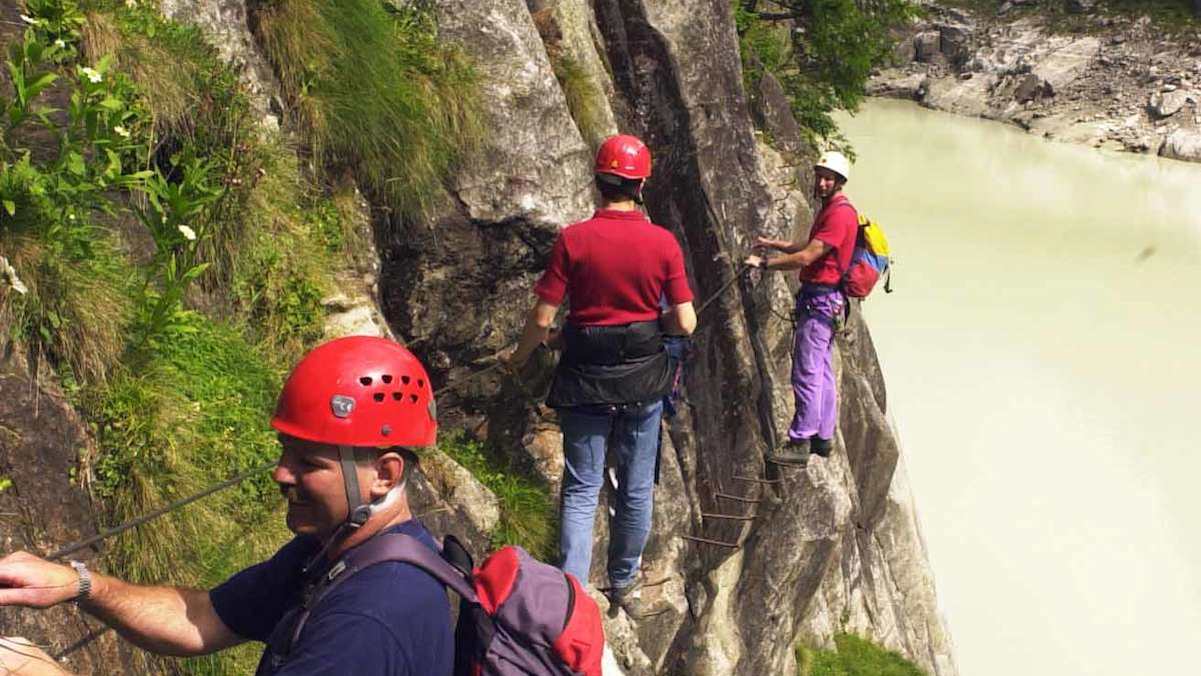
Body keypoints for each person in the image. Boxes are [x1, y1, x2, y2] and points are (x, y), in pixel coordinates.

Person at [0, 336, 453, 675]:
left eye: (308, 462)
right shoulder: (335, 551)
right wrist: (79, 584)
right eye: (284, 451)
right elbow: (202, 618)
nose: (281, 473)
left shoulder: (369, 620)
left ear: (384, 475)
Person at [504, 134, 696, 615]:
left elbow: (545, 318)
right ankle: (624, 583)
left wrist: (522, 356)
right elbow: (686, 321)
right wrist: (652, 327)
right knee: (633, 489)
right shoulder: (662, 243)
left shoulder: (574, 239)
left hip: (585, 378)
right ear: (641, 184)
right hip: (642, 382)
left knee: (582, 486)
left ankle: (571, 593)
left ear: (597, 180)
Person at [745, 151, 858, 467]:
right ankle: (822, 437)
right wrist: (775, 244)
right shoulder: (834, 210)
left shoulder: (839, 214)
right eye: (820, 176)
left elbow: (808, 257)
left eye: (828, 178)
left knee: (806, 372)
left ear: (839, 182)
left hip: (820, 301)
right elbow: (809, 247)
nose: (822, 182)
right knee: (821, 371)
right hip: (826, 301)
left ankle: (800, 440)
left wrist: (765, 263)